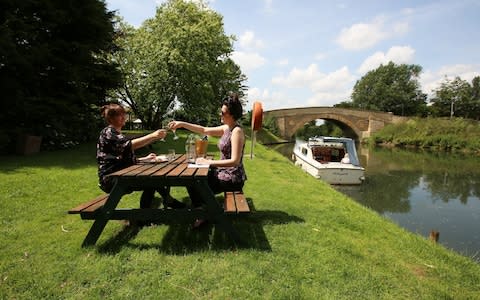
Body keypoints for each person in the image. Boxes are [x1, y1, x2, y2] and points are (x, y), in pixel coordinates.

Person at [169, 93, 247, 226]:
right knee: (193, 178)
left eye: (223, 113)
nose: (220, 115)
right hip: (223, 173)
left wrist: (208, 162)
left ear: (232, 114)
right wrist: (182, 124)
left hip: (232, 178)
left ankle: (202, 213)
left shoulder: (236, 132)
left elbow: (235, 161)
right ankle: (202, 210)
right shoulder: (226, 128)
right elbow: (204, 130)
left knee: (195, 182)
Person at [96, 103, 185, 210]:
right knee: (152, 180)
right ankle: (156, 209)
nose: (124, 117)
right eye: (119, 115)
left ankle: (155, 208)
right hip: (111, 179)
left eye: (124, 114)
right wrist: (152, 136)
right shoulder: (109, 132)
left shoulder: (116, 133)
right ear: (110, 118)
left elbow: (121, 157)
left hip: (119, 174)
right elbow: (128, 146)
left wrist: (144, 159)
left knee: (153, 179)